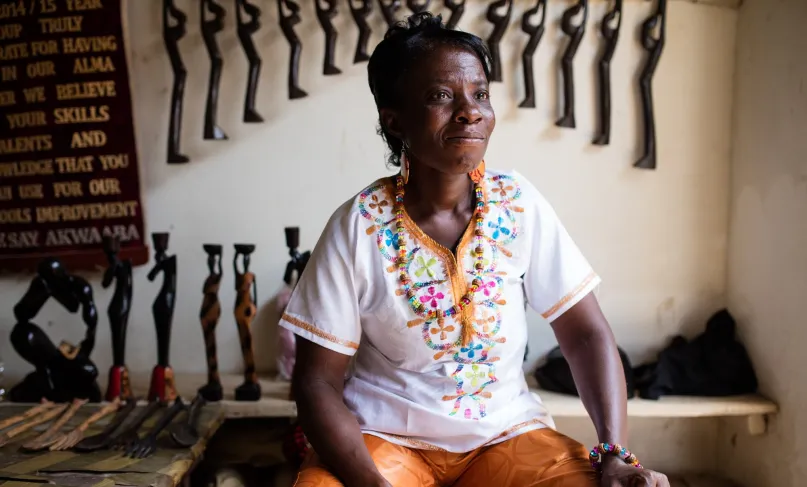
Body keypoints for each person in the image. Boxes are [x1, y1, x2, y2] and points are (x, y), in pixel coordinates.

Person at [279, 12, 670, 487]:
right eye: (442, 96)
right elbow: (317, 382)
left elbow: (585, 333)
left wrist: (614, 453)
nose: (470, 111)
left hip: (506, 438)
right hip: (383, 441)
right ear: (394, 118)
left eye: (480, 94)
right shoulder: (357, 224)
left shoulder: (518, 203)